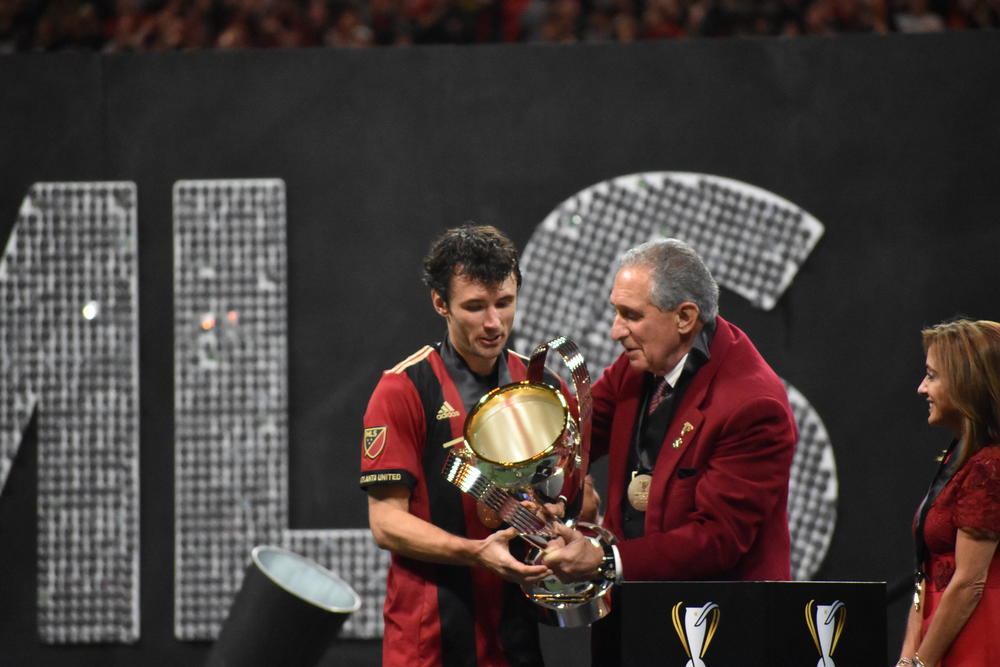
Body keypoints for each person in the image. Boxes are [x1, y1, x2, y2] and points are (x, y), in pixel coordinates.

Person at [541, 238, 797, 659]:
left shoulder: (753, 405)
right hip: (630, 622)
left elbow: (718, 538)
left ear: (684, 317)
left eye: (631, 316)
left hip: (715, 631)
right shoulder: (640, 362)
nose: (615, 331)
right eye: (616, 312)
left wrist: (606, 559)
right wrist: (547, 487)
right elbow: (575, 438)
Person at [359, 224, 551, 667]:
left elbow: (572, 498)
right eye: (475, 307)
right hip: (430, 644)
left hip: (518, 642)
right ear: (440, 303)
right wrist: (477, 554)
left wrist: (556, 517)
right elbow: (387, 522)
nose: (493, 323)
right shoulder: (403, 389)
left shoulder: (543, 387)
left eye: (505, 303)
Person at [895, 319, 1000, 667]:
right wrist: (909, 656)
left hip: (977, 642)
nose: (921, 388)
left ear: (967, 384)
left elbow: (969, 582)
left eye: (932, 376)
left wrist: (921, 662)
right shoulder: (964, 460)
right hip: (941, 641)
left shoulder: (990, 467)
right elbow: (924, 573)